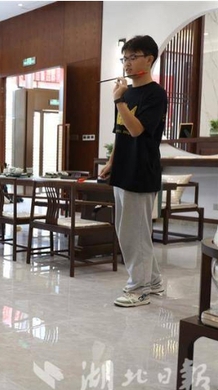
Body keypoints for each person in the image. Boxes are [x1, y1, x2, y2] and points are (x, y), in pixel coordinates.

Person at [99, 35, 167, 308]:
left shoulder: (155, 94)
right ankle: (153, 282)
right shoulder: (125, 94)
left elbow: (137, 130)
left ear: (149, 60)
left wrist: (119, 101)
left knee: (134, 234)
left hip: (142, 170)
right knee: (129, 231)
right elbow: (121, 132)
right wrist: (111, 162)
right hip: (123, 169)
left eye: (133, 57)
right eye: (124, 58)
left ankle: (138, 289)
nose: (127, 63)